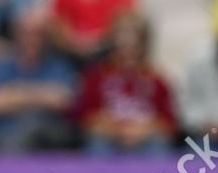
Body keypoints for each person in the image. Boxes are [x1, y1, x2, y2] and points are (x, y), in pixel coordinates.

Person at [0, 6, 78, 151]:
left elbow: (63, 100)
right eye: (26, 33)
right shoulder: (1, 64)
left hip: (49, 135)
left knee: (32, 124)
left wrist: (16, 92)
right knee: (17, 135)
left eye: (38, 34)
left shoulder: (58, 64)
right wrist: (42, 94)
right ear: (16, 34)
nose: (32, 39)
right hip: (6, 135)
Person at [74, 14, 177, 155]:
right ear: (113, 44)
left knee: (158, 147)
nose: (128, 49)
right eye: (122, 43)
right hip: (108, 137)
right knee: (97, 145)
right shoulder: (97, 77)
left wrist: (143, 130)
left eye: (134, 43)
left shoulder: (157, 80)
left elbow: (169, 124)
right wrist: (117, 129)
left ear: (143, 45)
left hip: (146, 138)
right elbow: (84, 118)